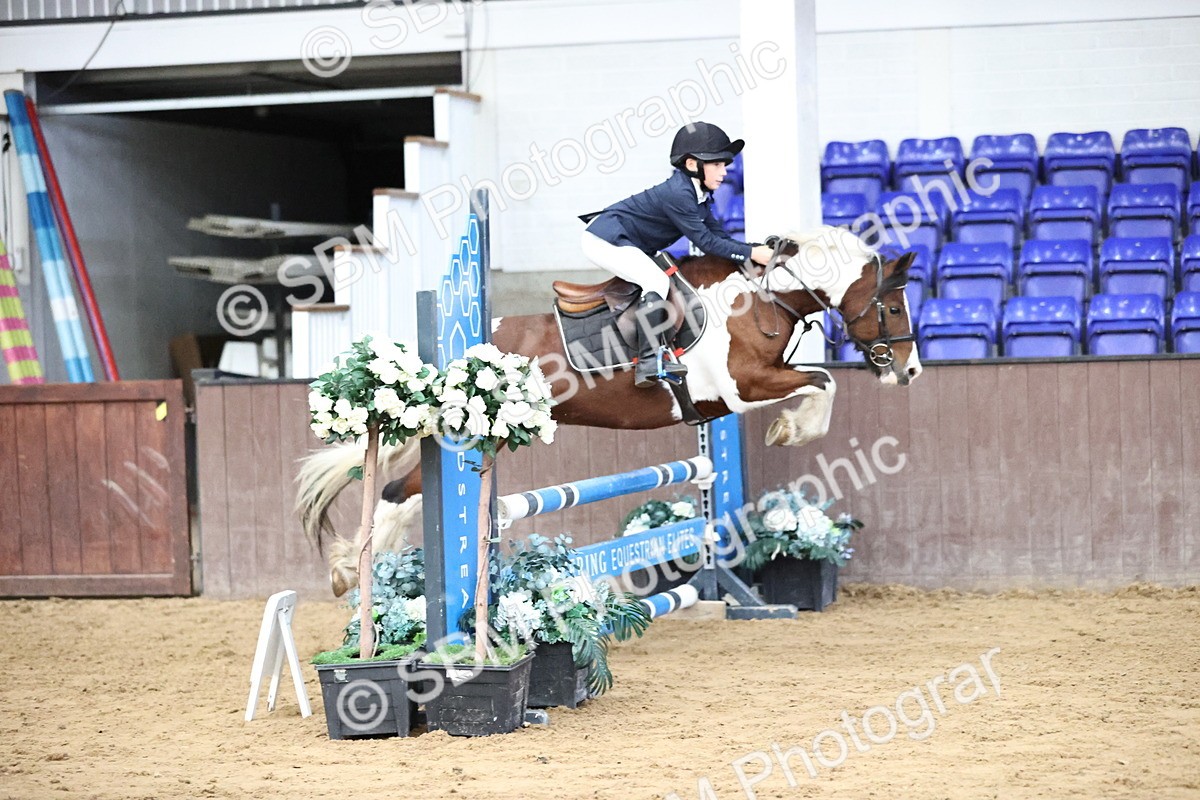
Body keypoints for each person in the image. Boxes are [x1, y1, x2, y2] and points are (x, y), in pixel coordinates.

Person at [581, 121, 775, 387]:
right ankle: (650, 362)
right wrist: (751, 252)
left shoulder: (700, 195)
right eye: (717, 164)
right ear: (693, 165)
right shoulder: (679, 194)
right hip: (604, 239)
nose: (725, 172)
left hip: (626, 240)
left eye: (724, 164)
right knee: (656, 282)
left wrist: (755, 250)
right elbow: (706, 243)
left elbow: (720, 237)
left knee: (660, 281)